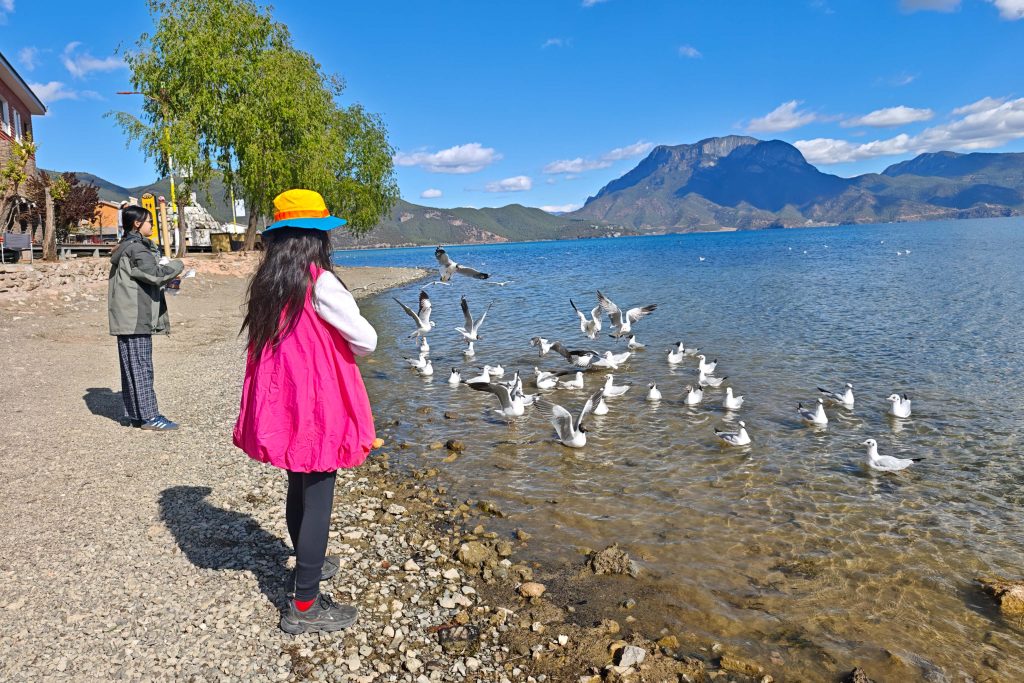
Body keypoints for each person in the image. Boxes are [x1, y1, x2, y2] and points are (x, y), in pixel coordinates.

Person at [233, 188, 378, 635]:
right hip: (316, 401)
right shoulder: (321, 282)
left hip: (285, 399)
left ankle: (307, 565)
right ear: (318, 239)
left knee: (299, 482)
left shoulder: (269, 282)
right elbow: (367, 340)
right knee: (319, 495)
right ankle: (305, 604)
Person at [107, 205, 184, 430]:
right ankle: (150, 417)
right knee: (141, 365)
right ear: (137, 224)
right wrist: (178, 265)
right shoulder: (137, 249)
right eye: (149, 221)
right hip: (135, 314)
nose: (152, 225)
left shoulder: (125, 246)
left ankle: (136, 415)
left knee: (131, 365)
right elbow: (155, 274)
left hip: (126, 315)